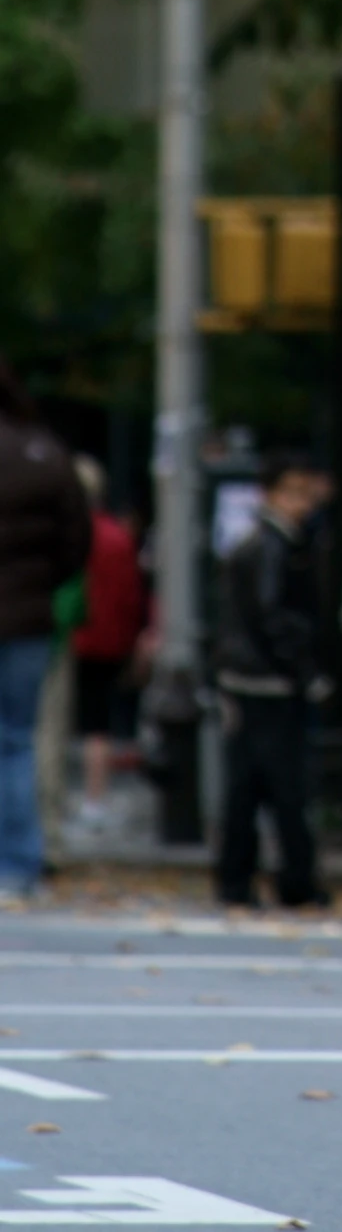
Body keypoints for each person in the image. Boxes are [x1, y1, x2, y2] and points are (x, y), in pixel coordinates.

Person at [213, 447, 330, 910]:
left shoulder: (260, 544)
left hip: (250, 676)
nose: (302, 503)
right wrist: (304, 669)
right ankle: (292, 878)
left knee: (249, 786)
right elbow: (273, 614)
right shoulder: (275, 547)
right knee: (283, 787)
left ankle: (239, 877)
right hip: (269, 680)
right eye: (292, 493)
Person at [0, 365, 91, 898]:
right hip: (30, 619)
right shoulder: (45, 454)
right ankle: (18, 864)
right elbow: (75, 542)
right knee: (16, 740)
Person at [70, 460, 149, 836]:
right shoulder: (116, 536)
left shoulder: (69, 534)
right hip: (108, 640)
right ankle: (94, 799)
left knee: (78, 722)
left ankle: (83, 800)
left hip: (70, 638)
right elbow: (131, 596)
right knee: (97, 723)